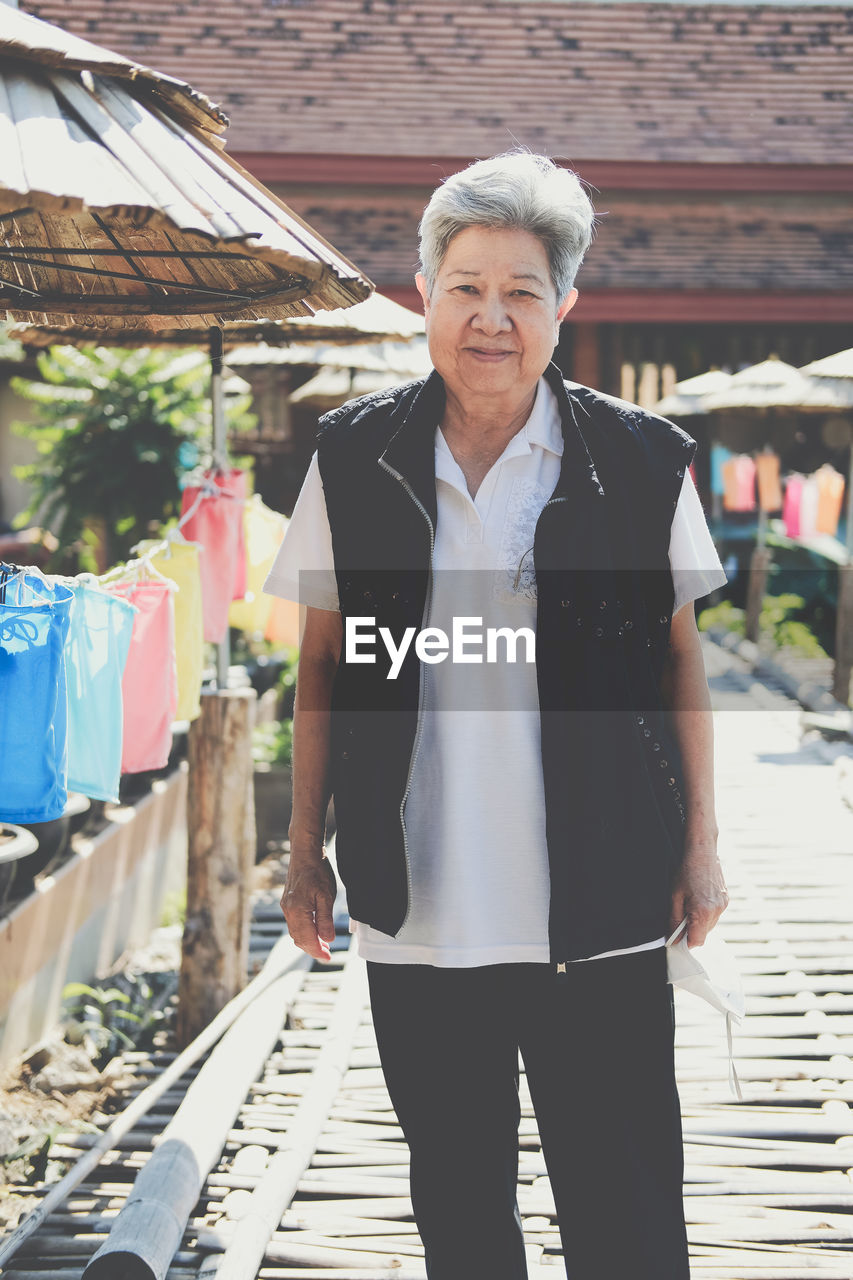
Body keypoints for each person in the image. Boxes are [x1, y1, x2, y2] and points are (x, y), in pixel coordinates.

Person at [263, 151, 729, 1280]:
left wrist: (703, 846)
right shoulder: (352, 456)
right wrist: (301, 852)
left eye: (521, 291)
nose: (490, 317)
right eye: (466, 285)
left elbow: (680, 660)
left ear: (563, 307)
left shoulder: (639, 458)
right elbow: (322, 664)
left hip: (606, 901)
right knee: (461, 1216)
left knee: (625, 1218)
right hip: (417, 907)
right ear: (424, 292)